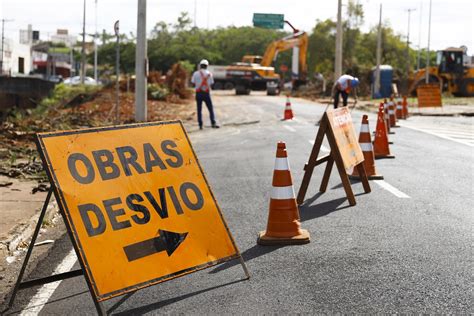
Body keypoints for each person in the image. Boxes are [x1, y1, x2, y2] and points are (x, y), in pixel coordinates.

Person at [191, 59, 219, 130]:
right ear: (207, 66)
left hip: (198, 93)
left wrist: (198, 84)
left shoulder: (195, 73)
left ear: (200, 66)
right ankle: (213, 123)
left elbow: (193, 83)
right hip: (206, 93)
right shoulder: (209, 74)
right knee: (210, 108)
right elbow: (211, 83)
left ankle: (200, 125)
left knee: (199, 109)